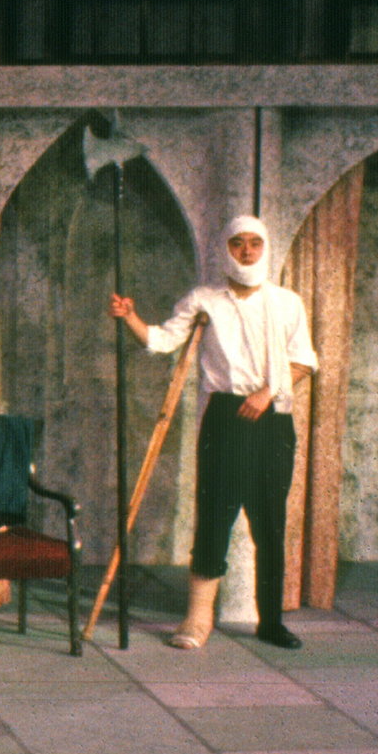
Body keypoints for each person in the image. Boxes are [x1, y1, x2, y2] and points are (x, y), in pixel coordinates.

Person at [110, 215, 316, 650]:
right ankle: (197, 619)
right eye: (238, 243)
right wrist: (130, 317)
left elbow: (304, 360)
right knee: (215, 517)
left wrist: (268, 392)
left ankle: (270, 621)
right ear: (226, 248)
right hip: (225, 415)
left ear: (265, 247)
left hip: (273, 418)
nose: (247, 251)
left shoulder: (287, 302)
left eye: (255, 243)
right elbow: (163, 340)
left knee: (270, 522)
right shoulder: (205, 299)